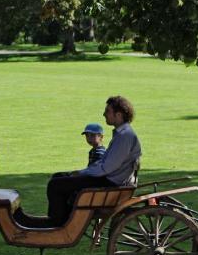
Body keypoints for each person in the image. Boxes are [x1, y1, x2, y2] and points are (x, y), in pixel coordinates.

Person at [41, 96, 141, 227]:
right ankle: (61, 220)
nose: (104, 114)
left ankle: (57, 223)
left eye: (107, 111)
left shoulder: (125, 136)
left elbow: (106, 168)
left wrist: (81, 173)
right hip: (111, 179)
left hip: (110, 182)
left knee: (55, 184)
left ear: (119, 115)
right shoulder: (123, 134)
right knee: (58, 178)